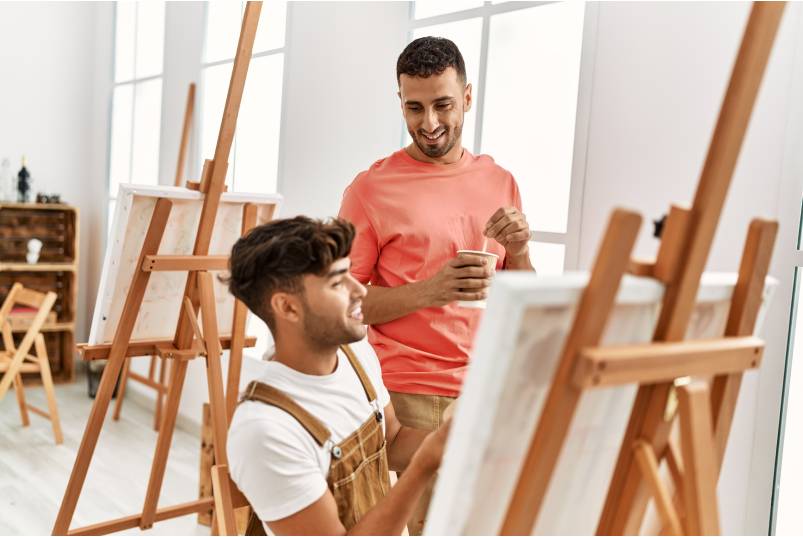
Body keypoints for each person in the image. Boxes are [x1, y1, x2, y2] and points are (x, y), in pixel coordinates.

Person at [338, 36, 535, 534]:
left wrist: (523, 253)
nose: (429, 123)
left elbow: (523, 297)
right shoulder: (370, 189)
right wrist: (433, 290)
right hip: (414, 394)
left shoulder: (500, 180)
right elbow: (340, 305)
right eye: (414, 107)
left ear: (467, 97)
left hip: (489, 388)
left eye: (443, 105)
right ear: (400, 102)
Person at [225, 216, 450, 536]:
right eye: (337, 281)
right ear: (287, 308)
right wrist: (424, 466)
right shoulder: (265, 429)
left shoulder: (355, 352)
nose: (360, 291)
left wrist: (461, 438)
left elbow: (393, 441)